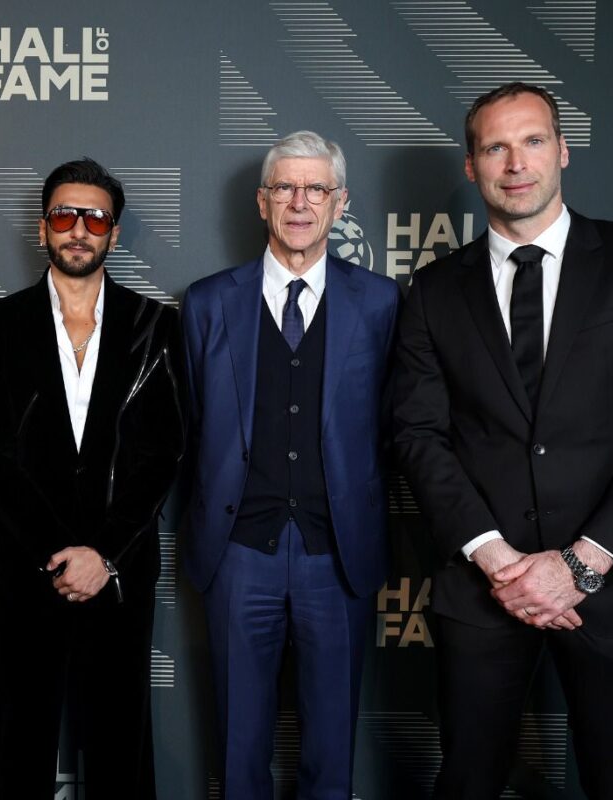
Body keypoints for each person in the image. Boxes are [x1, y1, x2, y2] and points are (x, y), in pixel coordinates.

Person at [392, 82, 613, 799]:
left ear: (563, 151)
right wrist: (499, 560)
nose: (517, 162)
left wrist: (581, 564)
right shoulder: (432, 291)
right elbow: (417, 433)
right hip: (487, 590)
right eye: (495, 147)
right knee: (470, 780)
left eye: (533, 140)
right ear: (472, 166)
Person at [182, 132, 399, 799]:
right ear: (261, 201)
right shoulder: (208, 302)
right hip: (239, 551)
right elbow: (191, 424)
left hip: (336, 557)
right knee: (239, 749)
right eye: (285, 188)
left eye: (316, 189)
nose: (299, 203)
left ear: (340, 204)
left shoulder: (381, 303)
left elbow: (394, 424)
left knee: (331, 752)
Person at [0, 158, 184, 798]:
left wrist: (105, 555)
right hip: (29, 569)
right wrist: (58, 557)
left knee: (121, 749)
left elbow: (162, 454)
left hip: (120, 573)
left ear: (114, 234)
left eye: (95, 218)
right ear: (42, 229)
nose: (78, 229)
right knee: (18, 746)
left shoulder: (156, 325)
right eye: (65, 215)